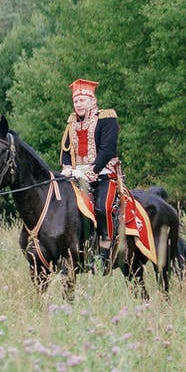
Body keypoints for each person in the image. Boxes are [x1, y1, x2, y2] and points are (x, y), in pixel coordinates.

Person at [59, 78, 120, 263]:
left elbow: (108, 149)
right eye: (75, 101)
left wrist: (93, 170)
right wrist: (67, 168)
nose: (78, 104)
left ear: (92, 100)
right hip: (77, 177)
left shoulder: (106, 118)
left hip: (103, 173)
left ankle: (106, 248)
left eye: (82, 100)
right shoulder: (71, 124)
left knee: (102, 207)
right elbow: (65, 150)